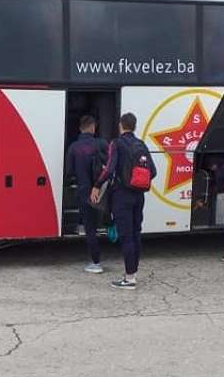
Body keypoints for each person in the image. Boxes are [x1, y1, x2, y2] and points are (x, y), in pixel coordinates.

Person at [91, 113, 157, 290]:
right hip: (139, 195)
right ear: (134, 126)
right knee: (136, 234)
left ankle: (129, 279)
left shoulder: (117, 143)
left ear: (121, 125)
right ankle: (132, 273)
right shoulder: (141, 144)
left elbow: (110, 168)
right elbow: (154, 171)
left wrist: (97, 185)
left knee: (126, 236)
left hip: (122, 196)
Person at [66, 115, 108, 274]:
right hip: (102, 191)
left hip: (84, 191)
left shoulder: (74, 147)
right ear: (93, 127)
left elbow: (69, 171)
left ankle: (96, 263)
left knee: (90, 229)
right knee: (98, 224)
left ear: (80, 128)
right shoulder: (102, 143)